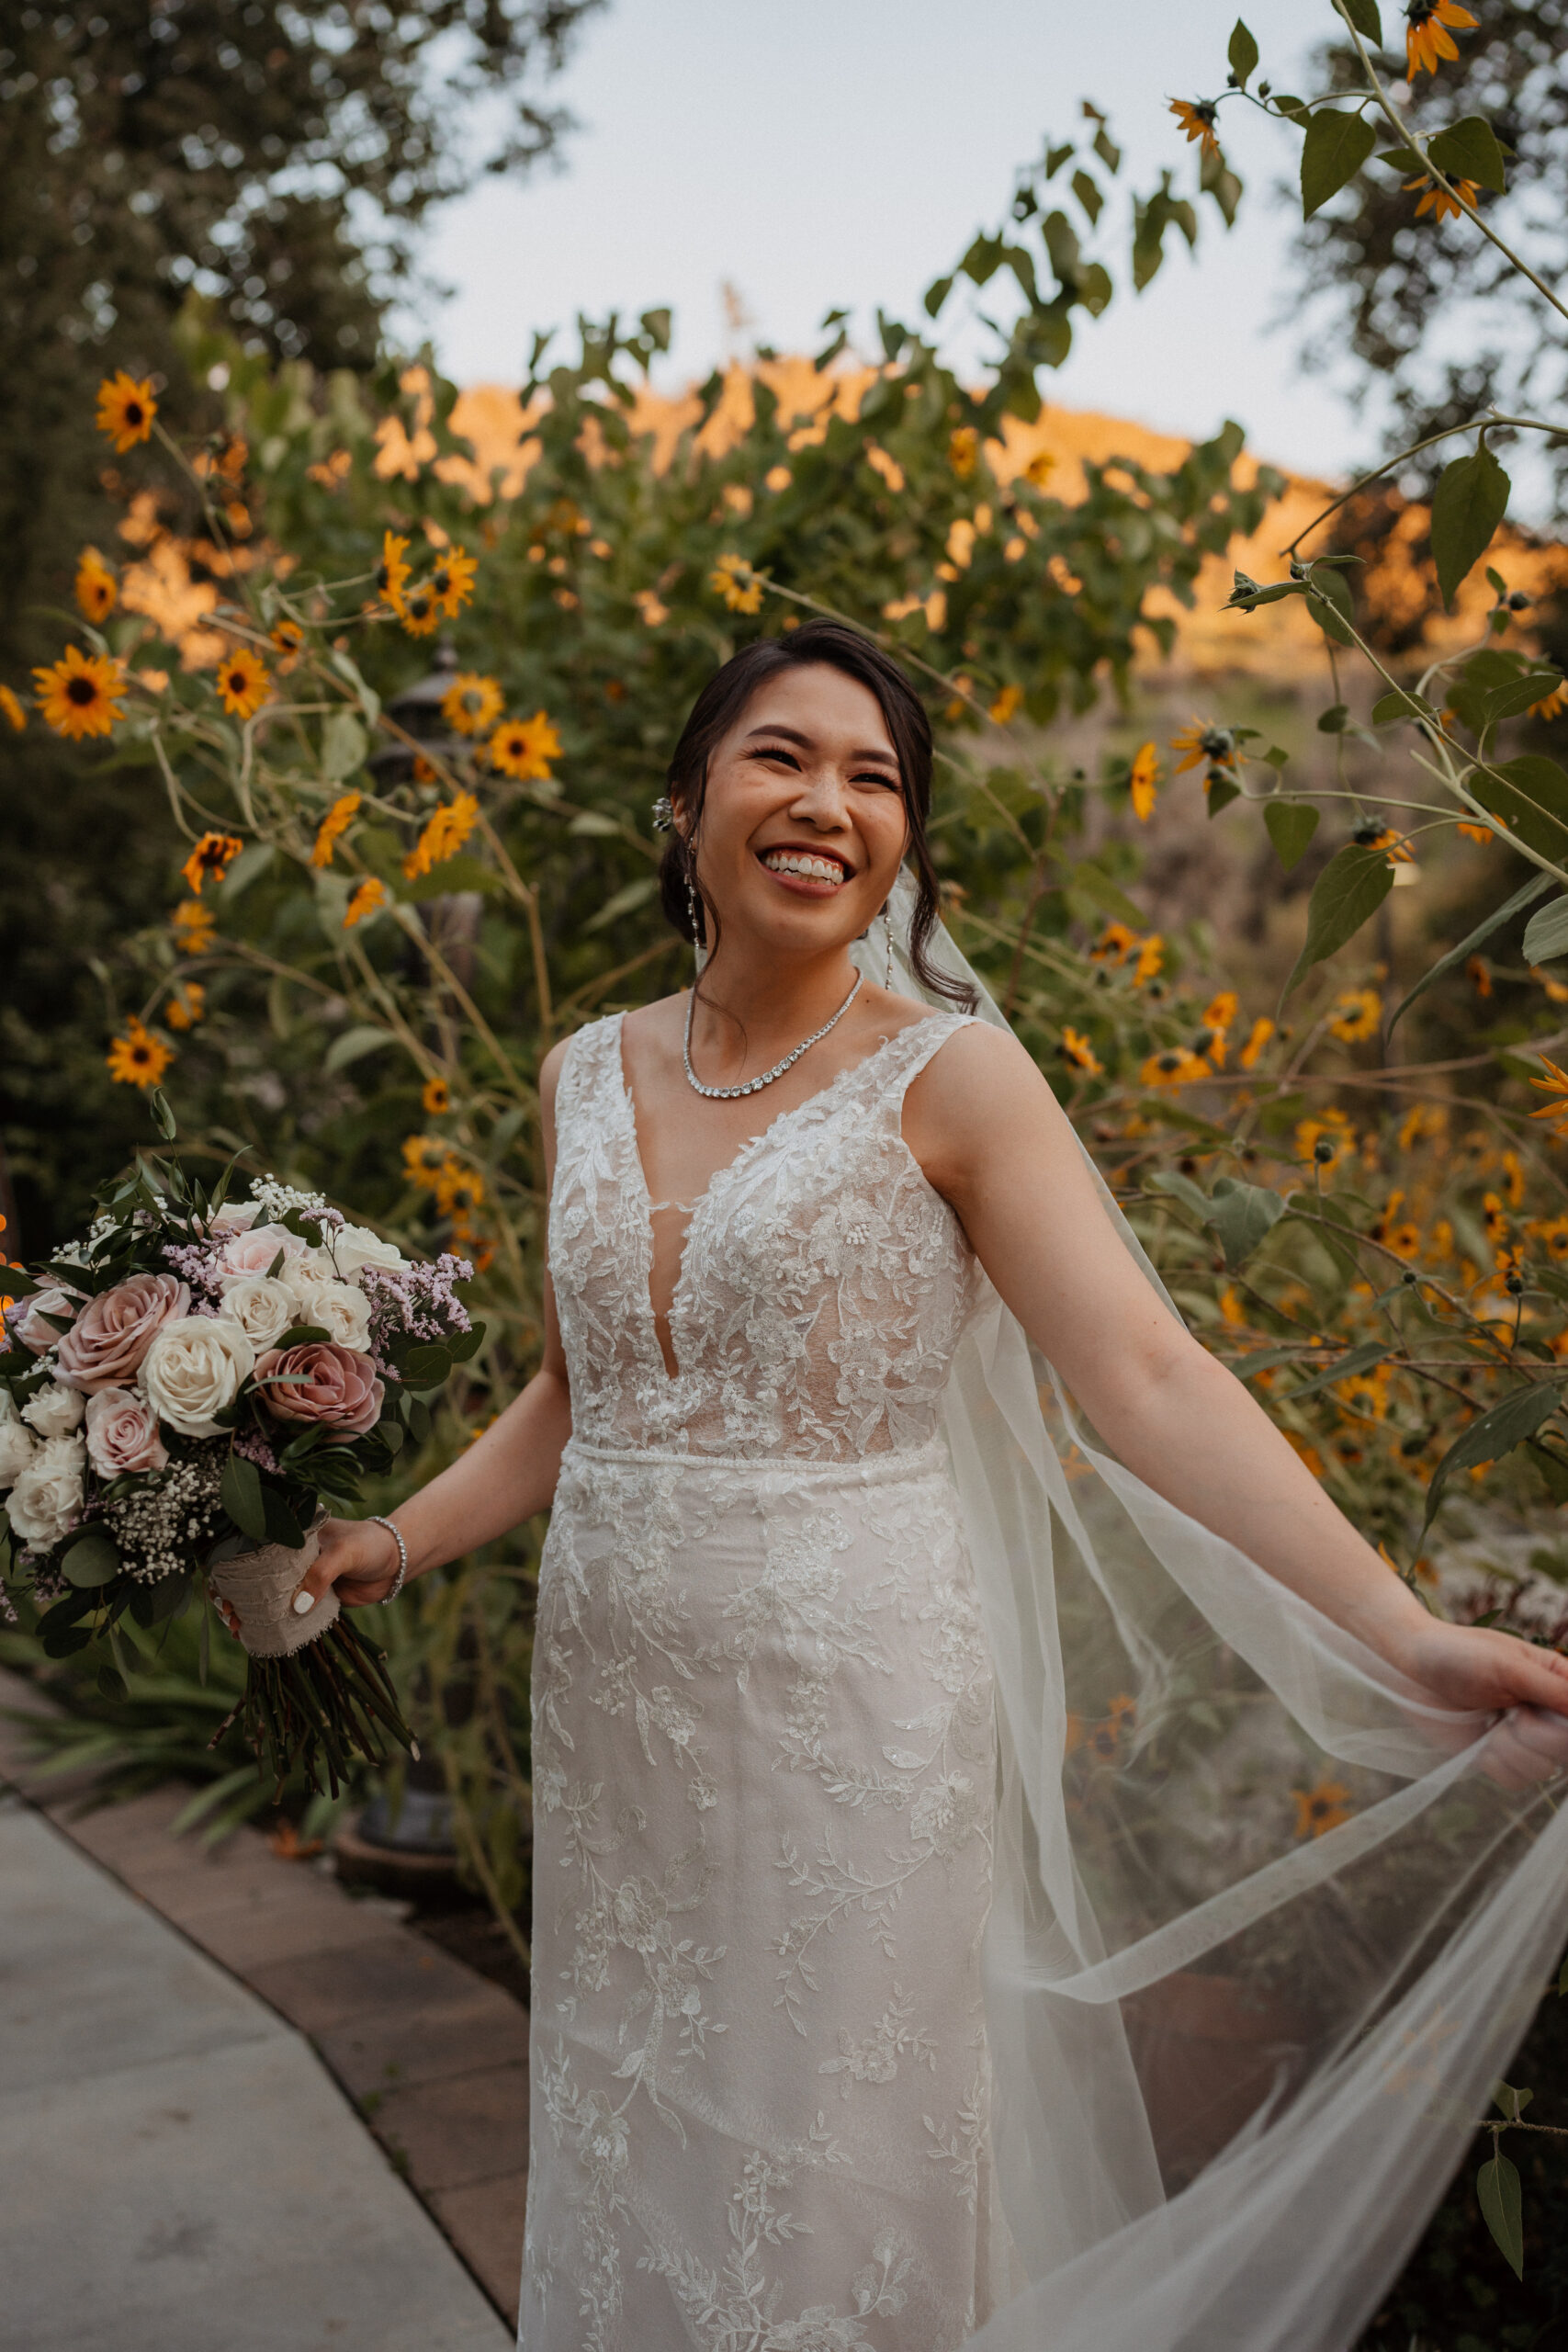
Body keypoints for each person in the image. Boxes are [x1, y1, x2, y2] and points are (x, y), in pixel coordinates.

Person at [299, 621, 1568, 2352]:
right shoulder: (581, 1074)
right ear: (687, 809)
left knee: (830, 2162)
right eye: (781, 756)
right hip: (618, 1708)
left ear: (901, 845)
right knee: (638, 2110)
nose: (828, 801)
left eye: (874, 778)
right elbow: (576, 1392)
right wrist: (392, 1537)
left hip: (852, 1714)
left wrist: (1403, 1636)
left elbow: (1148, 1377)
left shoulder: (952, 1076)